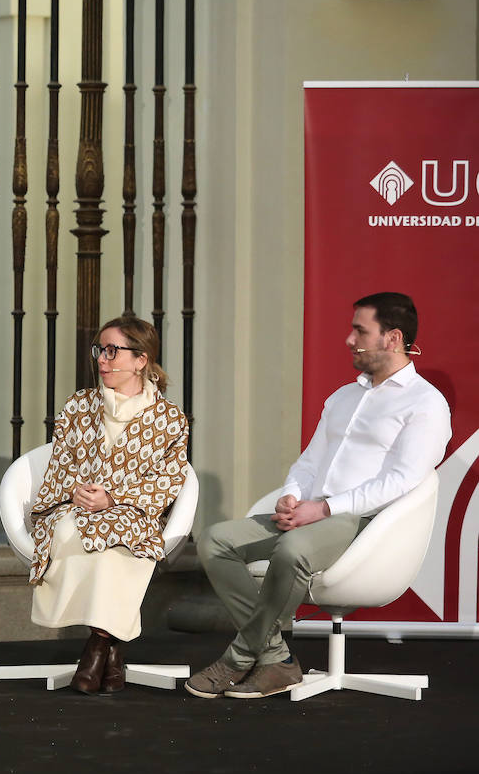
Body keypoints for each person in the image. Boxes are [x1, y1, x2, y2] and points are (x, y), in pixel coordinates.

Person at [187, 292, 451, 699]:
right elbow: (310, 460)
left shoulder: (425, 403)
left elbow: (402, 480)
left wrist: (325, 508)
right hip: (312, 511)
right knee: (216, 541)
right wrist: (292, 496)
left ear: (392, 338)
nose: (349, 339)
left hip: (364, 520)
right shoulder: (345, 397)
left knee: (293, 550)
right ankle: (276, 659)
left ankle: (238, 659)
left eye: (360, 331)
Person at [27, 315, 189, 694]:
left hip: (134, 512)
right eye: (100, 349)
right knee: (73, 531)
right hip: (77, 507)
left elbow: (170, 479)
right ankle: (113, 651)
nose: (102, 359)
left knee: (120, 541)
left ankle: (97, 648)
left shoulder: (169, 419)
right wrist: (77, 491)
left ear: (141, 360)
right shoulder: (79, 405)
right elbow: (60, 463)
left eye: (113, 351)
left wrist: (115, 498)